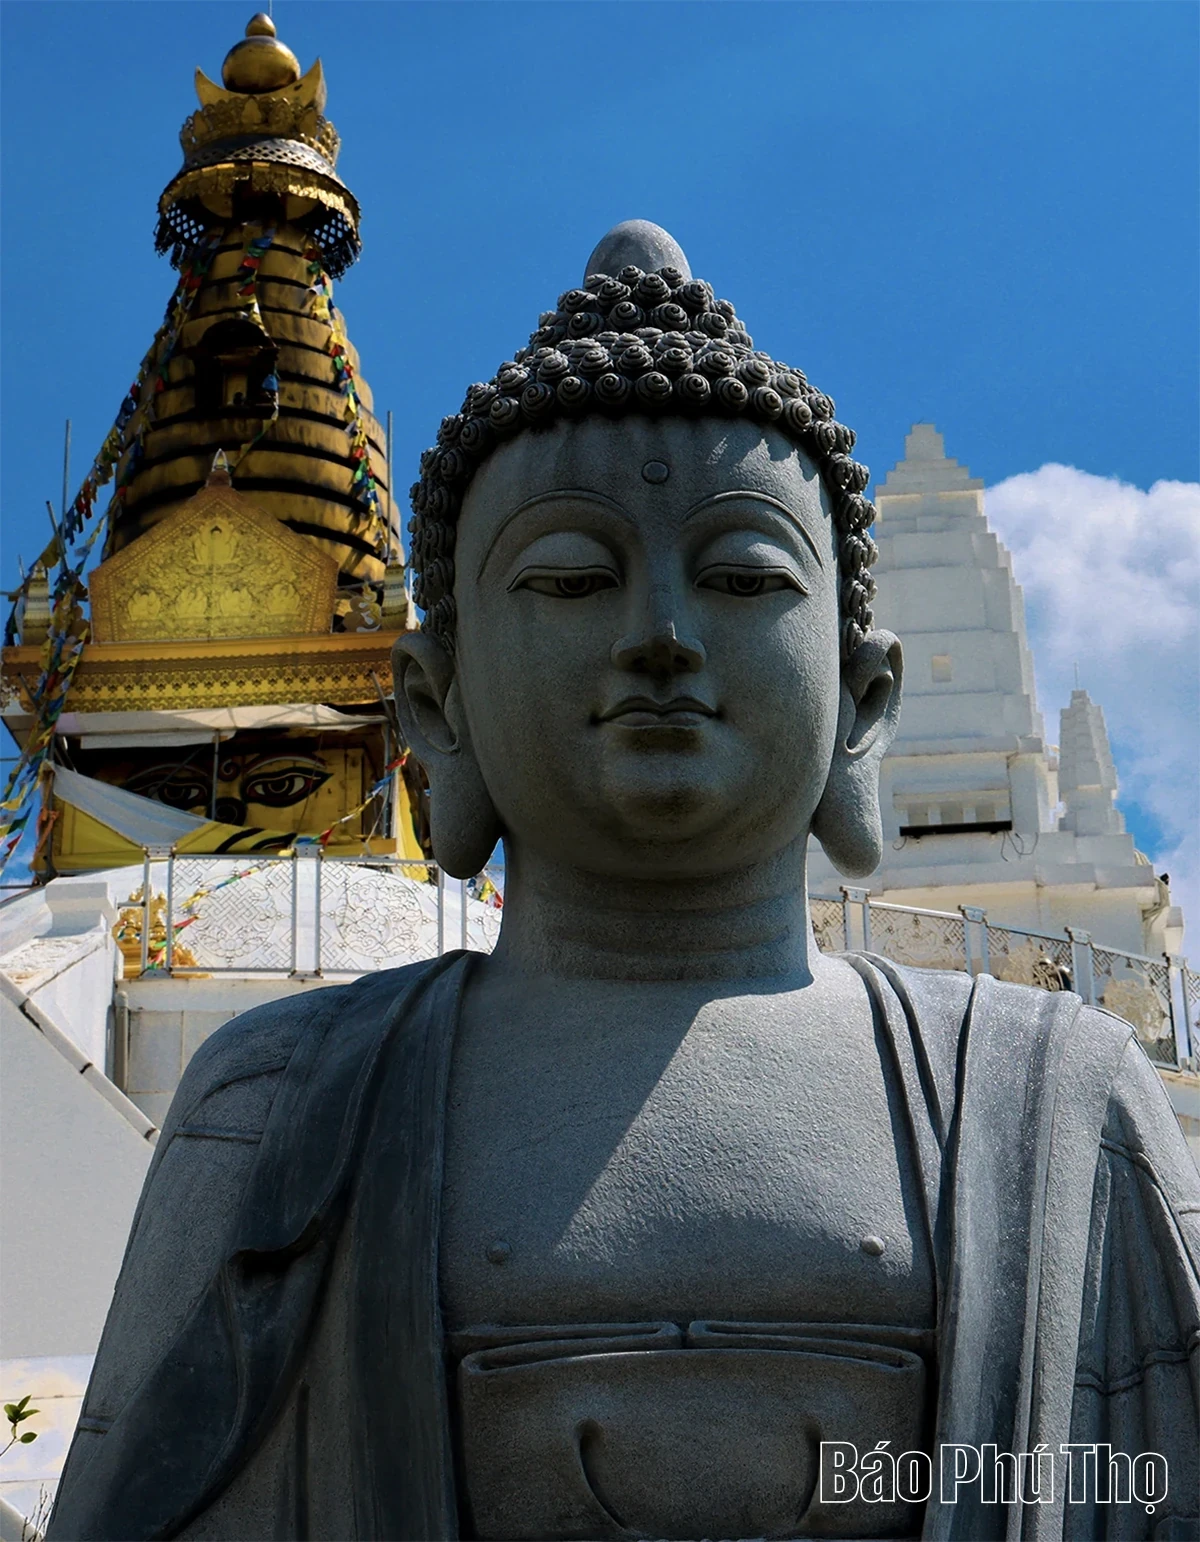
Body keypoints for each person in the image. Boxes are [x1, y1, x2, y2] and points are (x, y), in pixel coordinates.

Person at [50, 223, 1199, 1542]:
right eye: (572, 578)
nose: (660, 634)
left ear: (864, 702)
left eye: (743, 576)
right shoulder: (280, 1104)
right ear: (434, 707)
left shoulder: (1059, 1104)